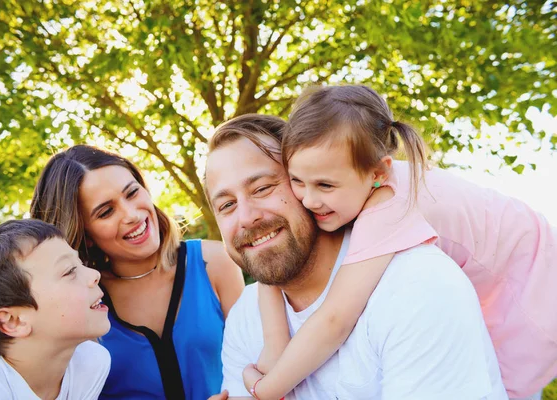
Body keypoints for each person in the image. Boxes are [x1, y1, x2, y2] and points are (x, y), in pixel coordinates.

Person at [239, 85, 556, 400]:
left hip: (533, 287)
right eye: (297, 181)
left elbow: (335, 320)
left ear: (378, 171)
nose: (309, 199)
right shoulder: (356, 184)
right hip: (512, 269)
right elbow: (277, 265)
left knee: (490, 386)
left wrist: (265, 390)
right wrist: (274, 343)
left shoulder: (388, 205)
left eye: (324, 185)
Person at [204, 114, 508, 399]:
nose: (246, 217)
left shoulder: (415, 283)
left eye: (262, 188)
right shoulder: (246, 315)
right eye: (227, 205)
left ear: (308, 181)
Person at [30, 145, 245, 399]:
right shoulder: (79, 303)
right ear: (85, 234)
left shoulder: (215, 262)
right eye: (106, 212)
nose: (131, 214)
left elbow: (253, 362)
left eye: (132, 193)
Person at [0, 219, 111, 399]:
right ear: (13, 321)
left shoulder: (91, 363)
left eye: (81, 263)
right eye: (69, 271)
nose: (95, 274)